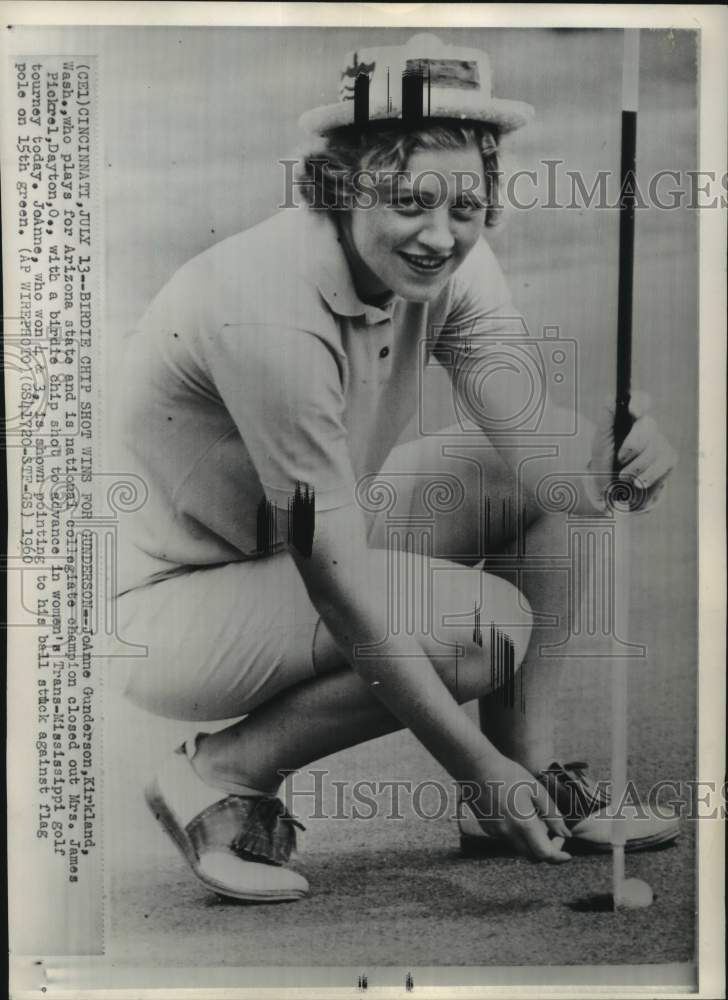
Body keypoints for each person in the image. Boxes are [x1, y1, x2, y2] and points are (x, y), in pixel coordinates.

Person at [114, 33, 680, 903]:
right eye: (409, 201)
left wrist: (617, 462)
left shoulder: (452, 253)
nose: (439, 235)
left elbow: (536, 444)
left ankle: (521, 790)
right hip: (163, 607)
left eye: (465, 206)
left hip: (286, 547)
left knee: (545, 489)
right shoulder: (267, 311)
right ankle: (218, 775)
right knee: (482, 627)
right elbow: (339, 588)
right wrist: (473, 761)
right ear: (340, 189)